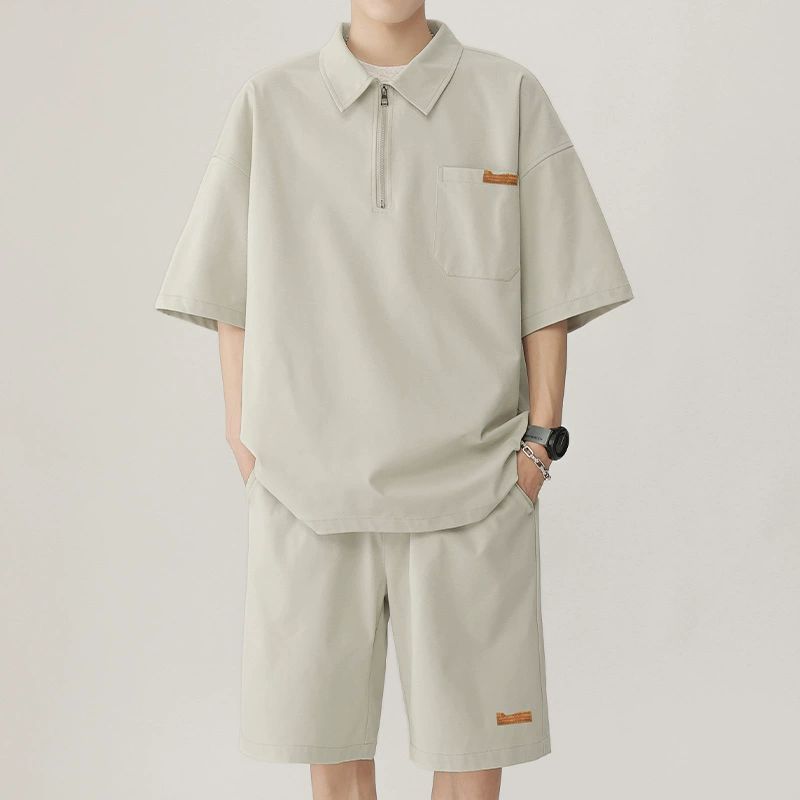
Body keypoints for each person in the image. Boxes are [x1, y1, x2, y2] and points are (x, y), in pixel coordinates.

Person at [155, 1, 633, 797]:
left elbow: (554, 283)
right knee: (333, 764)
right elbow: (226, 290)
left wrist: (537, 449)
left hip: (477, 490)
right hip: (306, 494)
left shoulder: (508, 95)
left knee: (472, 765)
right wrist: (248, 442)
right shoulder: (270, 104)